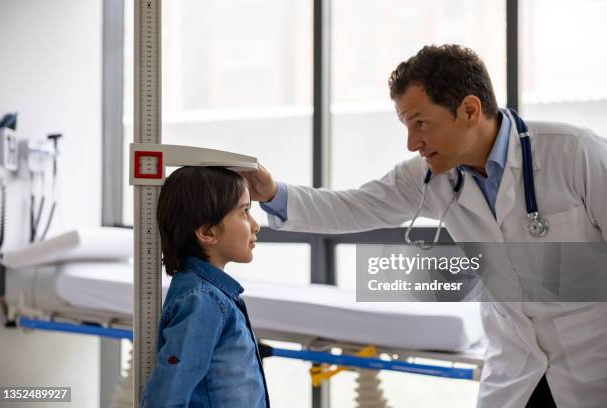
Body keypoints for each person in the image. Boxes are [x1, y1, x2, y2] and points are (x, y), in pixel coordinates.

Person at [242, 44, 607, 407]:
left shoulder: (574, 154)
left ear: (469, 110)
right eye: (406, 126)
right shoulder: (431, 177)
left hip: (592, 370)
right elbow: (354, 207)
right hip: (516, 374)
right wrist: (272, 192)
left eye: (420, 123)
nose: (412, 143)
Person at [141, 166, 269, 407]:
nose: (255, 225)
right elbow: (166, 398)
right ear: (208, 232)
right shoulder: (202, 301)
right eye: (245, 211)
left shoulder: (213, 295)